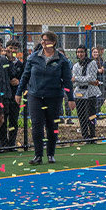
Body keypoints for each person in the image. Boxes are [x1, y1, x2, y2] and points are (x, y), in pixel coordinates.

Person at [20, 32, 71, 165]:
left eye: (46, 40)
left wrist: (70, 98)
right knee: (37, 124)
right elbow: (25, 76)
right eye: (42, 40)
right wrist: (18, 93)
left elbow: (67, 81)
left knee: (52, 125)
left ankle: (51, 154)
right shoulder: (33, 57)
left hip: (54, 96)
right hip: (35, 95)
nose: (43, 43)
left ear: (53, 42)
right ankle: (38, 155)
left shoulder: (61, 60)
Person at [72, 46, 99, 142]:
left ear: (85, 53)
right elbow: (74, 82)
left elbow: (91, 78)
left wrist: (78, 79)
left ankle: (92, 134)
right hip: (79, 92)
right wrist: (82, 80)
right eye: (78, 52)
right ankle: (85, 135)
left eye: (82, 52)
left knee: (91, 114)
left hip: (90, 92)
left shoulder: (92, 63)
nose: (80, 54)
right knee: (81, 115)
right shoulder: (76, 66)